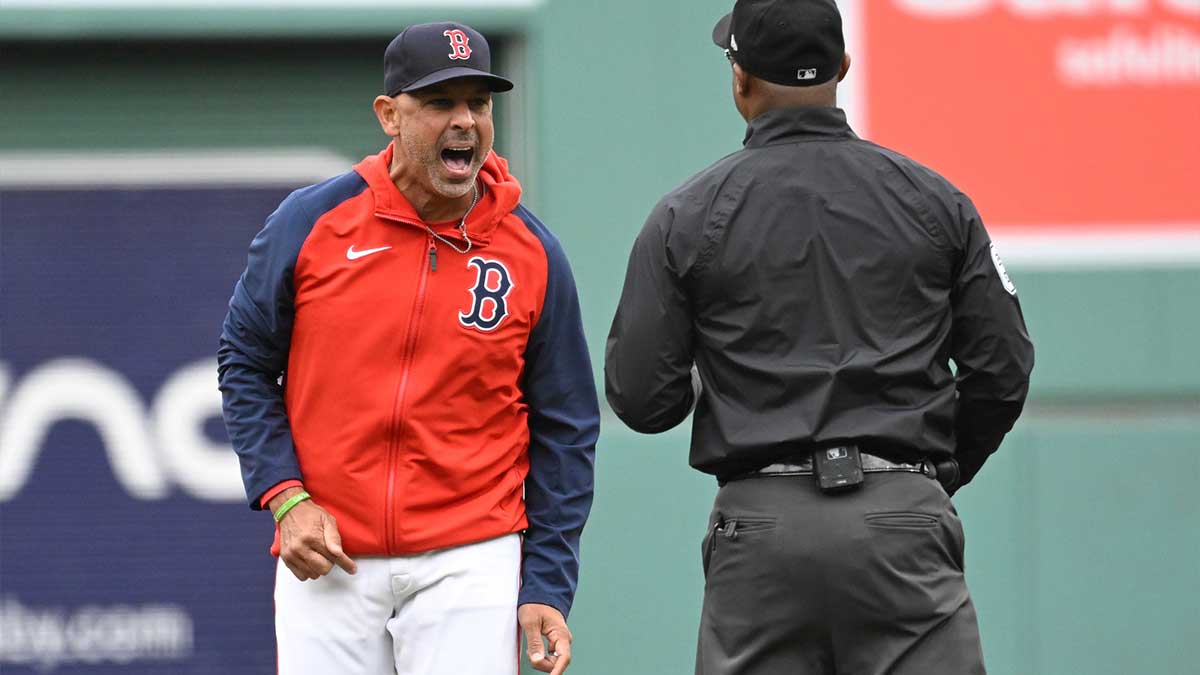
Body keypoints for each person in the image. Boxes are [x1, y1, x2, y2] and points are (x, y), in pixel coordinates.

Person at [605, 1, 1035, 673]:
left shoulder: (687, 214)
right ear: (842, 67)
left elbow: (642, 398)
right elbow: (1002, 370)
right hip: (903, 520)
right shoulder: (935, 200)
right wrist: (927, 481)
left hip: (762, 529)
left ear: (740, 79)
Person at [218, 22, 598, 675]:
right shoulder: (311, 223)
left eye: (478, 104)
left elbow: (566, 428)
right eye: (439, 102)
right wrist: (287, 496)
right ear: (390, 115)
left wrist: (546, 584)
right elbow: (244, 361)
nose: (464, 121)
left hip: (471, 553)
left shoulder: (531, 252)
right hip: (331, 553)